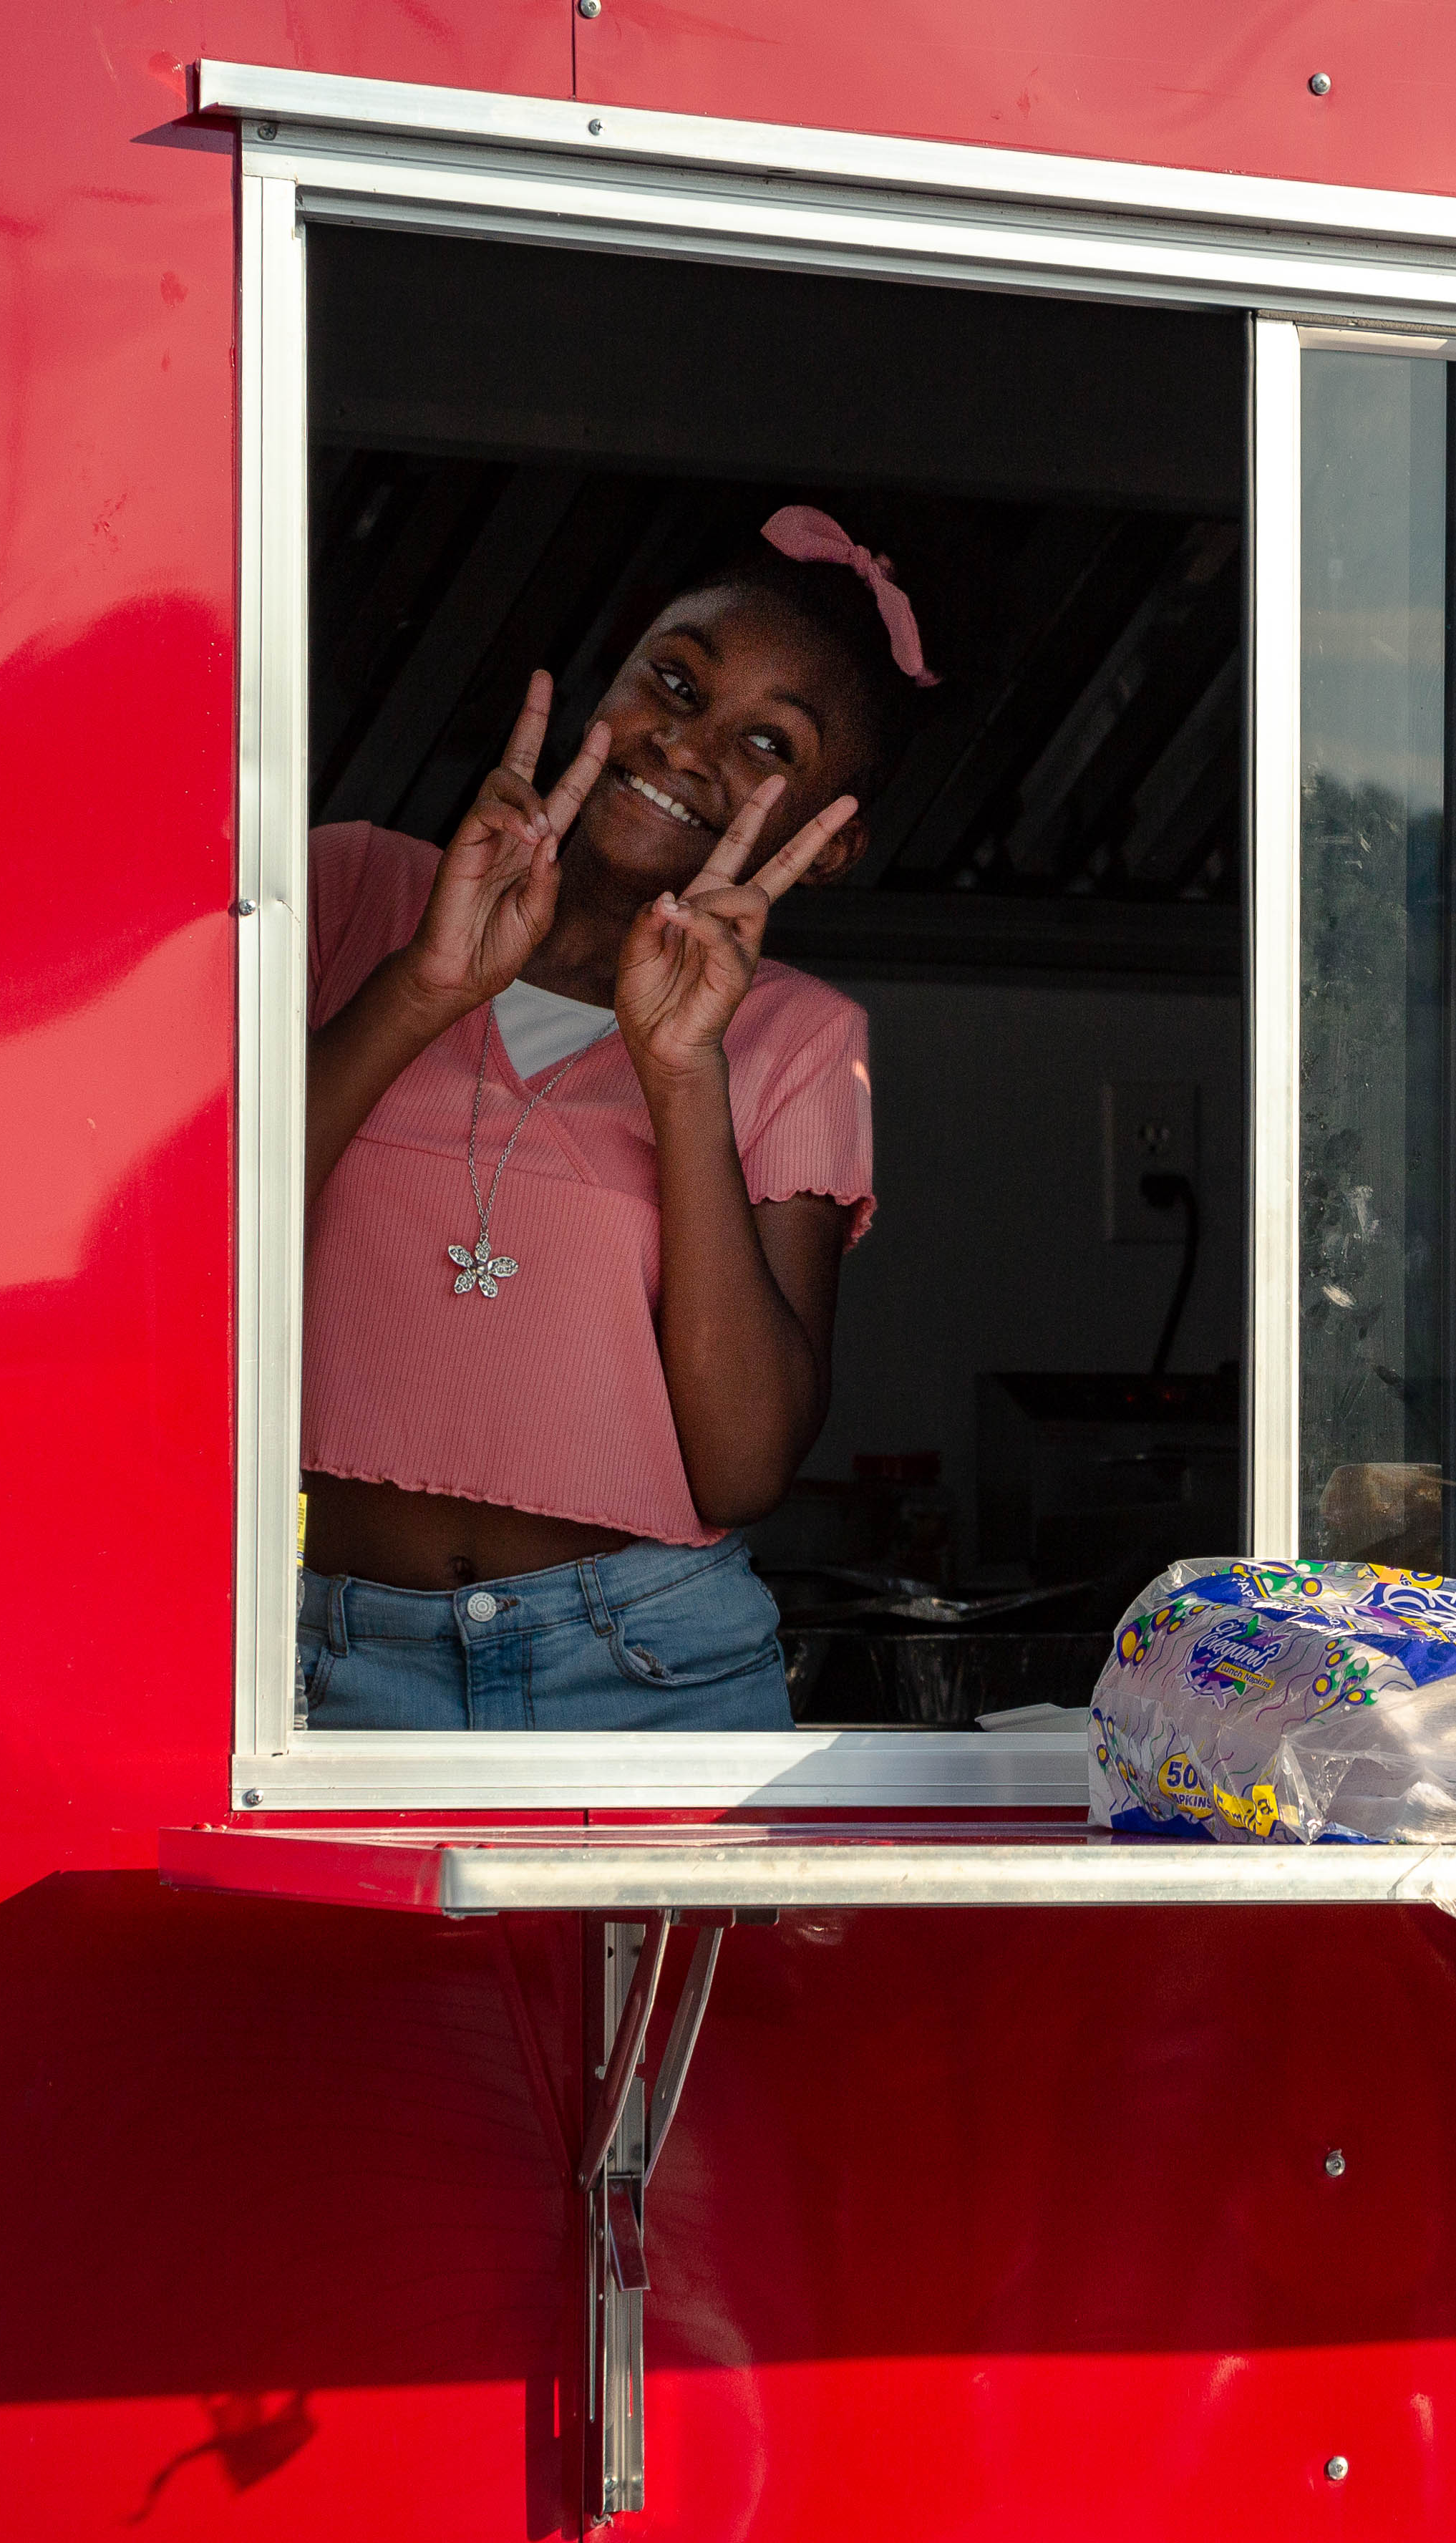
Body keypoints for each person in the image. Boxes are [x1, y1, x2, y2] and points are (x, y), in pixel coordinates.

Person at [296, 508, 935, 1729]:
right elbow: (187, 1264)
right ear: (612, 684)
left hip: (647, 1666)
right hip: (321, 1661)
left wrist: (684, 1070)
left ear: (830, 843)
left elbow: (743, 1467)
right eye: (675, 681)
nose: (689, 745)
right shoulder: (351, 891)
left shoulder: (797, 1039)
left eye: (765, 742)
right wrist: (423, 990)